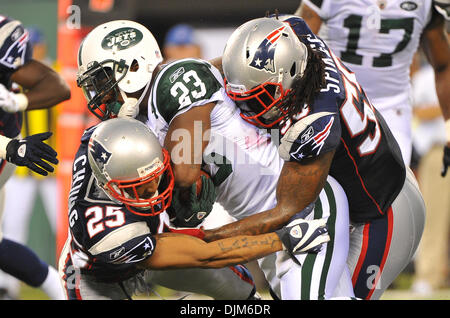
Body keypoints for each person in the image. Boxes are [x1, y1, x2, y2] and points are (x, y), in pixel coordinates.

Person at [76, 20, 355, 300]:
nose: (101, 93)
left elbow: (184, 173)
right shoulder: (143, 120)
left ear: (135, 66)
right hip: (262, 223)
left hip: (303, 206)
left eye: (103, 80)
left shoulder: (175, 80)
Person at [220, 15, 425, 300]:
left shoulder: (315, 121)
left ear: (290, 73)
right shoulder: (295, 35)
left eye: (257, 97)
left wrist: (208, 241)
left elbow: (286, 210)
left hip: (382, 212)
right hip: (355, 195)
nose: (245, 107)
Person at [57, 116, 329, 300]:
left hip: (149, 237)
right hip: (98, 274)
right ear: (109, 185)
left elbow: (115, 127)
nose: (154, 192)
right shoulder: (110, 234)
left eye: (157, 177)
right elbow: (207, 255)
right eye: (140, 187)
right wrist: (281, 240)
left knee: (235, 285)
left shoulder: (104, 141)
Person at [296, 0, 450, 171]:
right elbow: (297, 51)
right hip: (334, 101)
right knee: (328, 185)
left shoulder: (425, 4)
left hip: (392, 108)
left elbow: (443, 65)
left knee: (393, 187)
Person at [0, 16, 70, 299]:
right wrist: (13, 148)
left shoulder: (15, 70)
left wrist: (19, 101)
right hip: (13, 158)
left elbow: (59, 87)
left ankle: (65, 289)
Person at [410, 50, 450, 295]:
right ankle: (428, 275)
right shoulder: (426, 77)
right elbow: (418, 111)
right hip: (438, 151)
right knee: (434, 216)